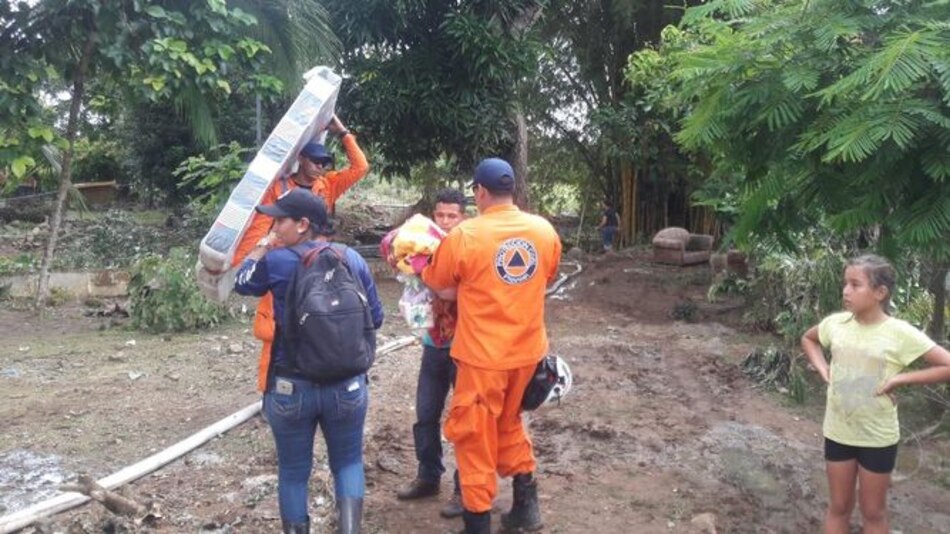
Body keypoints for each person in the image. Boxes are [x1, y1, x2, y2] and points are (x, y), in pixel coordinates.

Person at [420, 158, 562, 533]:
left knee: (474, 436)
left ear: (479, 192)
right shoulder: (544, 231)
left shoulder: (466, 235)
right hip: (529, 355)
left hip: (484, 358)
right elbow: (545, 276)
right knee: (510, 422)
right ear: (511, 189)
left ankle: (478, 522)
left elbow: (437, 281)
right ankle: (525, 507)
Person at [233, 188, 384, 534]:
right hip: (347, 386)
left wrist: (263, 246)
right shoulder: (352, 258)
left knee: (293, 472)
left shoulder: (276, 261)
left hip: (291, 389)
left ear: (302, 224)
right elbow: (374, 318)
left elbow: (242, 282)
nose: (273, 227)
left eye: (279, 220)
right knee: (347, 463)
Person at [801, 254, 950, 534]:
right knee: (839, 506)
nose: (846, 290)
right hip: (838, 431)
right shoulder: (836, 324)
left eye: (855, 284)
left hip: (877, 437)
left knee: (873, 511)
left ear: (880, 292)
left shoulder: (898, 333)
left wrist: (902, 379)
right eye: (845, 283)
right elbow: (809, 339)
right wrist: (823, 369)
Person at [233, 114, 370, 393]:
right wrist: (248, 257)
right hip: (286, 266)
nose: (321, 167)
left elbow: (360, 167)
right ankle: (271, 392)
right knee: (275, 329)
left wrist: (342, 132)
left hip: (320, 262)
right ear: (301, 161)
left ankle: (323, 377)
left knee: (324, 319)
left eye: (325, 162)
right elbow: (260, 225)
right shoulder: (280, 189)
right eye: (316, 161)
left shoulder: (328, 185)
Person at [395, 188, 466, 518]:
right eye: (441, 215)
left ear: (463, 217)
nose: (446, 221)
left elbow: (457, 291)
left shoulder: (469, 246)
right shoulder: (425, 244)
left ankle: (464, 488)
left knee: (466, 420)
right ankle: (428, 476)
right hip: (433, 345)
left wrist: (427, 275)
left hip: (466, 348)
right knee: (425, 414)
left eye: (453, 215)